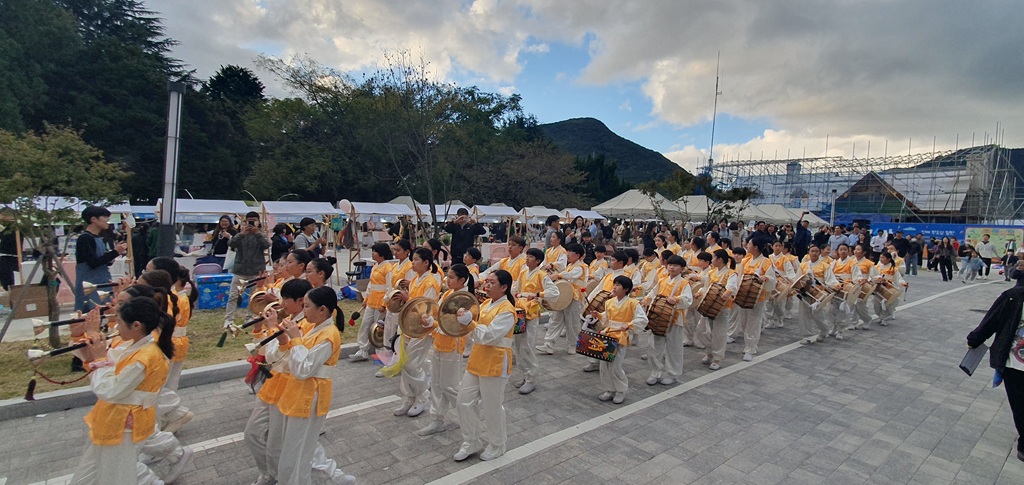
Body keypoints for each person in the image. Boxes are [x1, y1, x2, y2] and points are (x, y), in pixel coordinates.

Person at [70, 296, 192, 485]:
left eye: (119, 322)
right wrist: (81, 337)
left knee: (117, 479)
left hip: (123, 427)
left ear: (136, 325)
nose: (116, 327)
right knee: (85, 479)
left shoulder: (147, 356)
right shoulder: (134, 346)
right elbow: (101, 362)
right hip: (111, 422)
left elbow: (109, 389)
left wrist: (101, 359)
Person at [264, 286, 349, 485]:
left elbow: (304, 369)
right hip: (299, 394)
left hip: (311, 396)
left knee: (297, 456)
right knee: (293, 453)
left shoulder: (329, 335)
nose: (304, 310)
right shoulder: (315, 328)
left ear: (323, 310)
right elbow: (290, 361)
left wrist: (295, 339)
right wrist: (285, 338)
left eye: (307, 306)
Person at [453, 269, 517, 462]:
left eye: (492, 283)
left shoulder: (507, 310)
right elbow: (477, 334)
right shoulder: (487, 303)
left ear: (504, 287)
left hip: (495, 361)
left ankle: (497, 444)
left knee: (492, 406)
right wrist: (467, 324)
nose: (487, 286)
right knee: (463, 401)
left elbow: (489, 336)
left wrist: (470, 324)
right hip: (478, 358)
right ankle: (471, 441)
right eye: (486, 282)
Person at [966, 284, 1024, 463]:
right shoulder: (1013, 296)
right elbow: (992, 320)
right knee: (1020, 404)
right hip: (1015, 363)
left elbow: (991, 320)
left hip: (1015, 363)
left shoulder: (1012, 295)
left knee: (1021, 404)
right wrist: (975, 339)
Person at [418, 264, 472, 436]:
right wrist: (429, 320)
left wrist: (435, 323)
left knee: (449, 385)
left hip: (452, 344)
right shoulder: (447, 294)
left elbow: (455, 325)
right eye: (447, 276)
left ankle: (469, 412)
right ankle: (437, 418)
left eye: (451, 277)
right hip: (440, 342)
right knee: (436, 383)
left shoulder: (465, 300)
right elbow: (439, 317)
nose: (447, 280)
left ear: (462, 280)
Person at [387, 248, 440, 417]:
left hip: (422, 329)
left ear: (426, 262)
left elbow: (426, 308)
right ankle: (409, 398)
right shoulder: (416, 279)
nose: (413, 263)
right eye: (413, 259)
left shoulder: (430, 282)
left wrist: (406, 299)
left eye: (416, 259)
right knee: (404, 363)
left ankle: (422, 398)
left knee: (412, 364)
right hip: (408, 326)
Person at [585, 275, 647, 404]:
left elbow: (642, 319)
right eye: (615, 284)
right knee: (604, 365)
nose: (614, 287)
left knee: (615, 366)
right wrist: (599, 315)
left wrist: (629, 325)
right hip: (608, 334)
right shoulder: (609, 302)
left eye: (618, 285)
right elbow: (607, 319)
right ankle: (609, 389)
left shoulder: (633, 303)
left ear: (626, 289)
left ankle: (620, 390)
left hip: (621, 337)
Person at [511, 248, 559, 394]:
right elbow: (515, 289)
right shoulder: (523, 272)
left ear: (538, 261)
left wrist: (538, 294)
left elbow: (555, 292)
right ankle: (525, 375)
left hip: (531, 313)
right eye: (527, 256)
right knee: (517, 345)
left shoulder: (541, 275)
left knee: (527, 345)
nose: (527, 259)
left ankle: (531, 379)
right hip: (519, 310)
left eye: (530, 257)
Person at [642, 255, 692, 386]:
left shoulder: (684, 283)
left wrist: (678, 299)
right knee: (654, 346)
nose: (672, 267)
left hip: (675, 319)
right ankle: (655, 372)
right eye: (670, 265)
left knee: (674, 347)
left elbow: (688, 299)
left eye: (675, 265)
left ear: (682, 269)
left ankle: (672, 374)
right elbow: (653, 293)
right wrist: (646, 299)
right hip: (658, 317)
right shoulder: (662, 280)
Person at [75, 206, 128, 313]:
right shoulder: (85, 238)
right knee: (94, 311)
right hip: (90, 283)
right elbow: (92, 263)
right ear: (93, 219)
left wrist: (110, 258)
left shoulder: (97, 238)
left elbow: (98, 260)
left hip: (100, 281)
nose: (107, 220)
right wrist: (115, 252)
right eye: (104, 217)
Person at [538, 243, 587, 355]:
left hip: (574, 297)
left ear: (578, 255)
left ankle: (573, 345)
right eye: (567, 251)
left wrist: (558, 276)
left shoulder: (581, 267)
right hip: (565, 295)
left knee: (572, 322)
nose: (568, 254)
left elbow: (570, 275)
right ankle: (548, 344)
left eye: (570, 252)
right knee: (556, 319)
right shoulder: (570, 266)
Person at [224, 212, 271, 327]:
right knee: (233, 296)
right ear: (245, 221)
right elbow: (231, 243)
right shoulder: (241, 234)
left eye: (254, 220)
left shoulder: (262, 234)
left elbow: (266, 245)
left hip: (256, 270)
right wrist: (241, 234)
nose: (251, 223)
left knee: (254, 297)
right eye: (249, 220)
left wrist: (257, 233)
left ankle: (250, 318)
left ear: (258, 221)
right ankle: (229, 319)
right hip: (240, 269)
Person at [698, 249, 739, 369]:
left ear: (719, 259)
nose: (712, 260)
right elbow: (706, 287)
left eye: (713, 257)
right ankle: (709, 351)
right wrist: (700, 293)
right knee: (702, 329)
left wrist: (728, 292)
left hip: (722, 306)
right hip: (709, 304)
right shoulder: (711, 272)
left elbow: (732, 287)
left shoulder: (731, 273)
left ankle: (717, 358)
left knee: (719, 333)